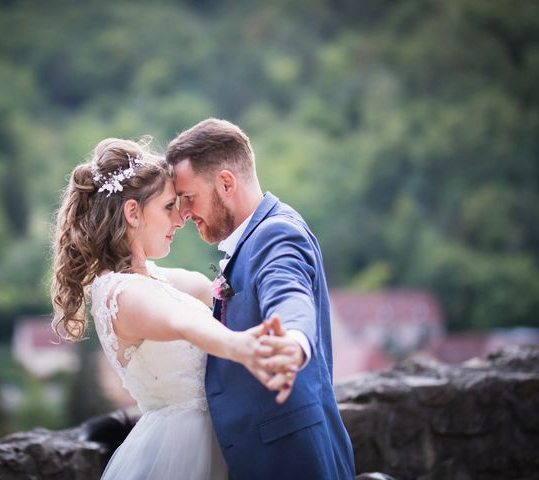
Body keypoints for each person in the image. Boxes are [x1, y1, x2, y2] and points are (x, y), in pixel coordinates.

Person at [50, 137, 283, 480]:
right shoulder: (121, 293)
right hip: (180, 455)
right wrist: (241, 346)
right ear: (132, 212)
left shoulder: (155, 279)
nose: (181, 219)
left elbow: (215, 289)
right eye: (169, 207)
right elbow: (182, 321)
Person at [166, 118, 356, 479]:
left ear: (225, 183)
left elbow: (289, 296)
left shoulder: (275, 235)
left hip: (294, 463)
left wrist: (293, 342)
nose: (185, 213)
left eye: (189, 198)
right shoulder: (251, 238)